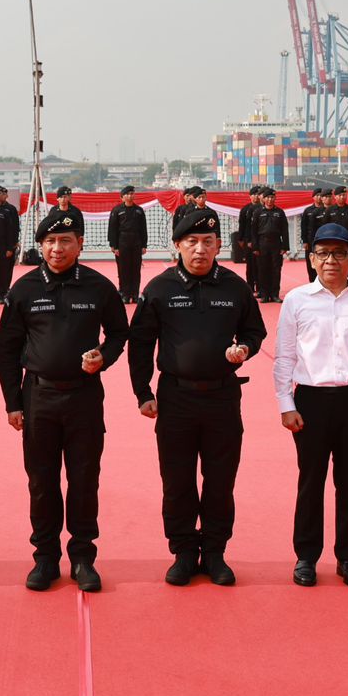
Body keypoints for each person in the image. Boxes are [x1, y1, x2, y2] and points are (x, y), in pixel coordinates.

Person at [127, 207, 264, 586]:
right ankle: (184, 551)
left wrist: (245, 349)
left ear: (219, 244)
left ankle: (216, 552)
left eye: (207, 242)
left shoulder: (235, 287)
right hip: (175, 398)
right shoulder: (159, 288)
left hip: (222, 398)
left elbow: (255, 332)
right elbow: (140, 344)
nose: (200, 249)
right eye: (191, 242)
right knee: (178, 480)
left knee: (221, 480)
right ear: (177, 246)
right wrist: (143, 392)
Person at [0, 207, 128, 593]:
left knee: (84, 479)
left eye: (66, 241)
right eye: (50, 241)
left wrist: (104, 356)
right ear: (40, 246)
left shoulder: (98, 286)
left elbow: (120, 333)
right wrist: (12, 402)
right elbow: (7, 350)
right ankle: (45, 558)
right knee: (41, 481)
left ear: (80, 244)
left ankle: (84, 557)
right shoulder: (23, 289)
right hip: (38, 397)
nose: (57, 248)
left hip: (84, 397)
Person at [272, 222, 348, 588]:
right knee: (310, 482)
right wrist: (285, 403)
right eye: (323, 254)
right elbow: (284, 358)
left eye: (339, 253)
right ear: (311, 258)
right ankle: (306, 557)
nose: (330, 261)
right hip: (310, 401)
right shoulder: (296, 300)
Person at [107, 185, 149, 304]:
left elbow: (143, 229)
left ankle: (135, 294)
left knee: (135, 268)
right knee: (123, 269)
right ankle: (125, 294)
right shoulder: (117, 210)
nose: (130, 196)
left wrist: (144, 245)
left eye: (132, 193)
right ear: (122, 197)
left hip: (136, 241)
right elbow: (112, 229)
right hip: (122, 241)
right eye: (128, 194)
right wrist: (113, 245)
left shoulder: (139, 210)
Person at [251, 187, 289, 303]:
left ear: (275, 198)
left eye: (272, 197)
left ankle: (275, 294)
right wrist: (255, 247)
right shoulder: (258, 212)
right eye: (268, 197)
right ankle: (264, 294)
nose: (270, 200)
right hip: (262, 243)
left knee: (276, 270)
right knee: (263, 269)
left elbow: (284, 230)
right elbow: (253, 231)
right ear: (264, 199)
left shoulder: (280, 212)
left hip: (276, 244)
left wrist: (285, 247)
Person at [235, 185, 264, 298]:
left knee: (260, 265)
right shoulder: (245, 209)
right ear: (250, 196)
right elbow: (242, 225)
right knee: (250, 265)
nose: (256, 197)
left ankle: (261, 287)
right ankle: (250, 286)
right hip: (248, 241)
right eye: (254, 195)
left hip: (260, 241)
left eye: (258, 194)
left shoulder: (263, 208)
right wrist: (241, 239)